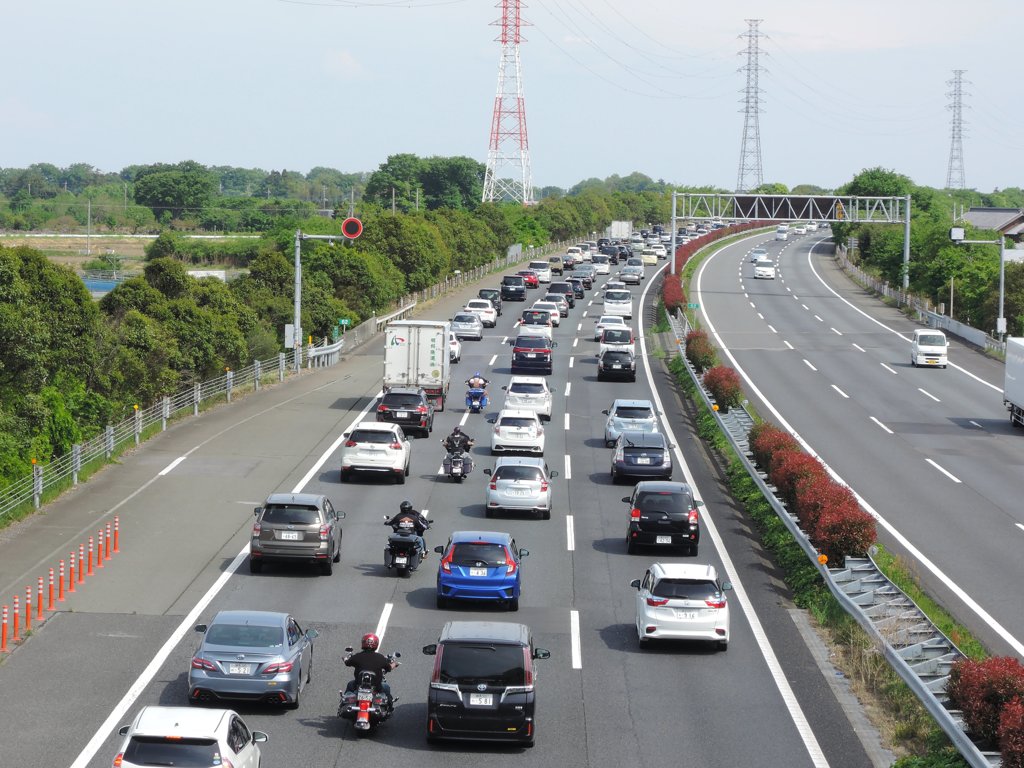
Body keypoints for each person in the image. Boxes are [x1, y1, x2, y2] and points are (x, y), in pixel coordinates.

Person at [343, 633, 398, 703]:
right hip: (376, 687)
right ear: (376, 644)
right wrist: (394, 664)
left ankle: (343, 703)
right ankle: (390, 706)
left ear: (363, 643)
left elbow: (347, 663)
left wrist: (345, 659)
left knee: (350, 684)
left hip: (358, 686)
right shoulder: (380, 657)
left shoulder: (357, 656)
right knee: (386, 687)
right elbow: (389, 668)